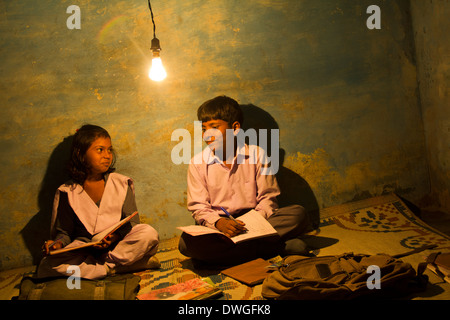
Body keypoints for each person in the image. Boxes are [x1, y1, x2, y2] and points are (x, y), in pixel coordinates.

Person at [178, 96, 310, 266]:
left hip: (256, 221)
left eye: (214, 127)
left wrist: (252, 223)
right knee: (185, 243)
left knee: (298, 214)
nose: (207, 135)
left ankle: (224, 257)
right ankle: (273, 248)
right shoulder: (197, 163)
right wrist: (219, 222)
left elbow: (268, 198)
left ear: (235, 128)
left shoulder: (257, 154)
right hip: (219, 226)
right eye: (204, 129)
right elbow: (199, 207)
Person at [37, 124, 160, 280]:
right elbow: (65, 233)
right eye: (100, 150)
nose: (107, 155)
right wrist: (57, 244)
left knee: (148, 233)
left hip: (116, 246)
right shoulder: (67, 191)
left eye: (109, 150)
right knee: (47, 265)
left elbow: (133, 222)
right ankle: (122, 267)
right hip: (83, 250)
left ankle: (105, 267)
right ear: (80, 154)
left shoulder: (121, 183)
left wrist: (114, 237)